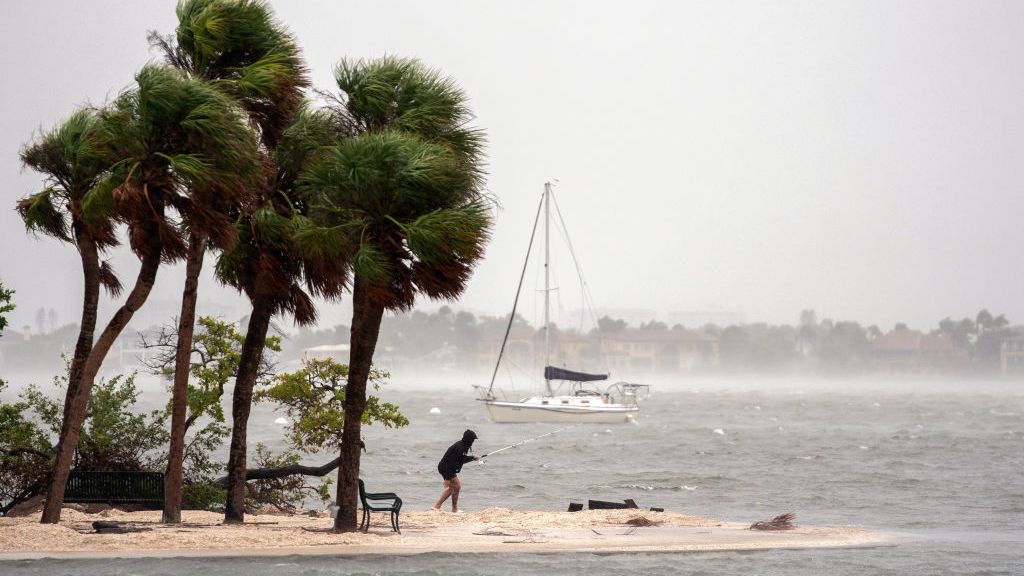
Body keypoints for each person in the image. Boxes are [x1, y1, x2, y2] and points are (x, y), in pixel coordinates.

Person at [434, 429, 481, 512]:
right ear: (468, 439)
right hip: (446, 467)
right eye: (472, 440)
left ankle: (452, 508)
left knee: (456, 487)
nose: (473, 441)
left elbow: (461, 459)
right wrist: (447, 478)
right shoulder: (459, 447)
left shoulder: (464, 446)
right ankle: (437, 507)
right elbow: (451, 463)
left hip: (448, 467)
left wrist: (472, 458)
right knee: (453, 487)